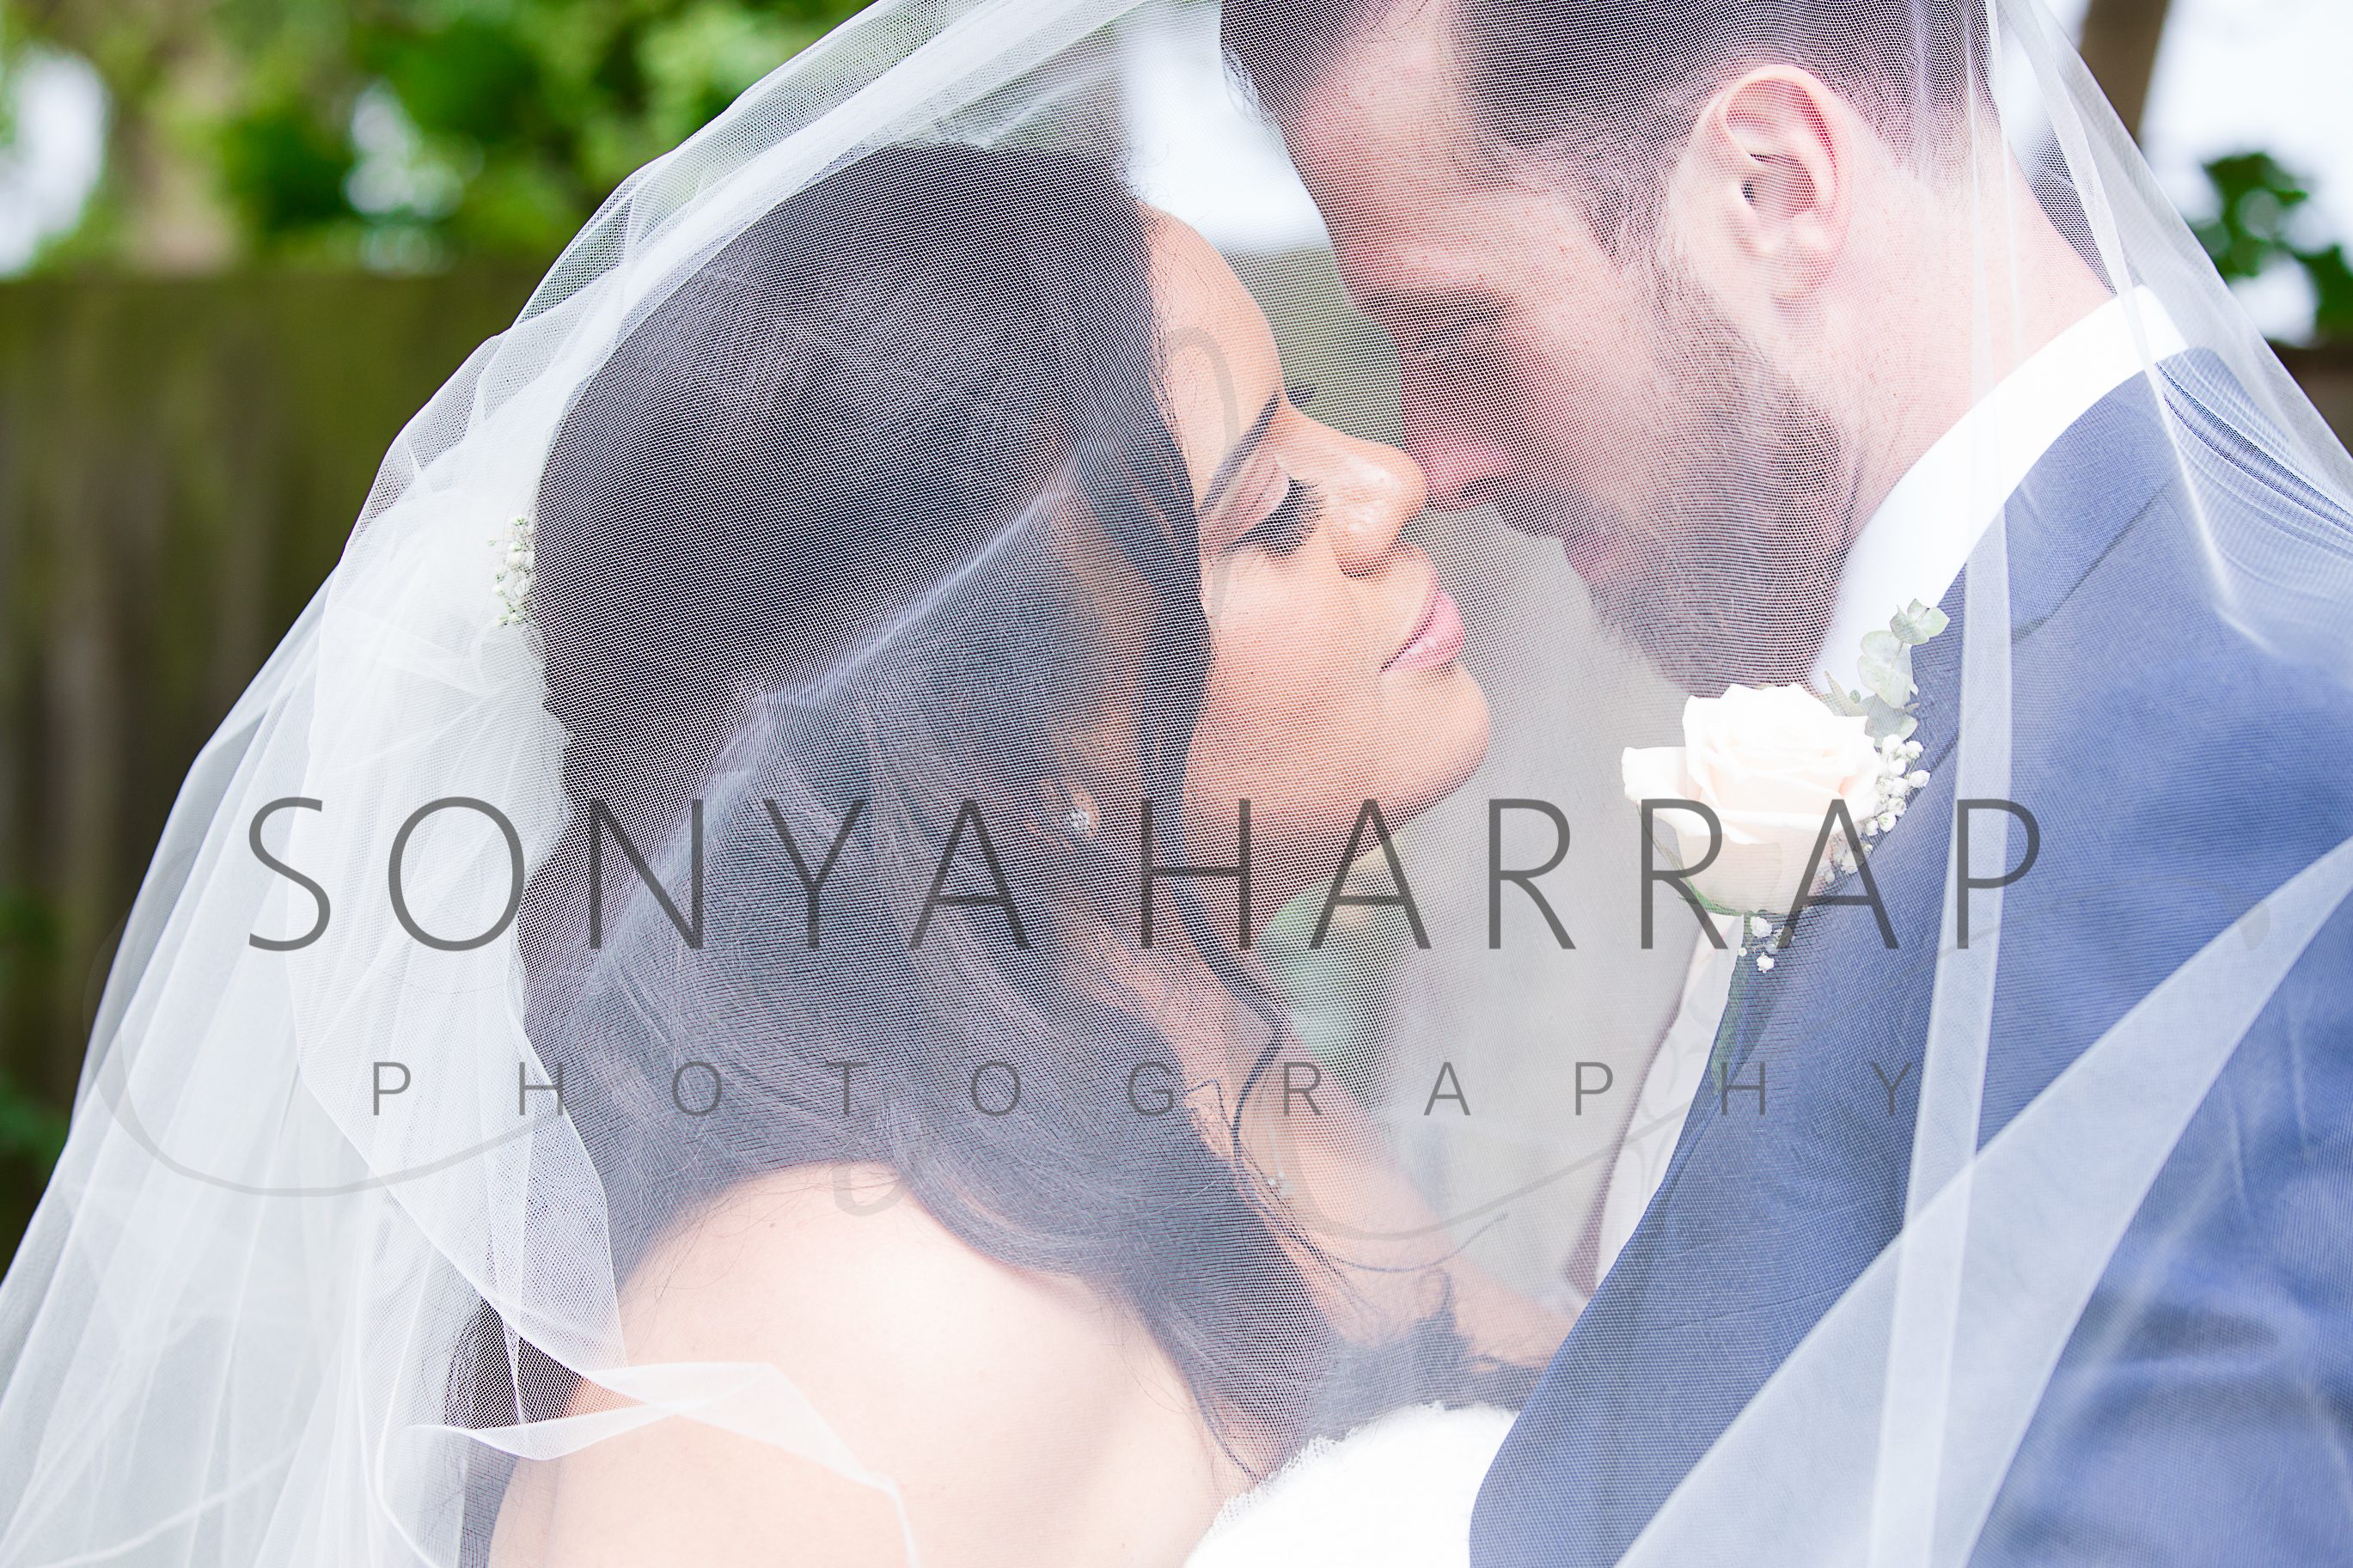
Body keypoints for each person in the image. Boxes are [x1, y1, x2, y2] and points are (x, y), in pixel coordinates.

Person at [1223, 0, 2353, 1561]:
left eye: (1450, 327)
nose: (1436, 456)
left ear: (1773, 186)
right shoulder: (1998, 659)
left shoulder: (2226, 741)